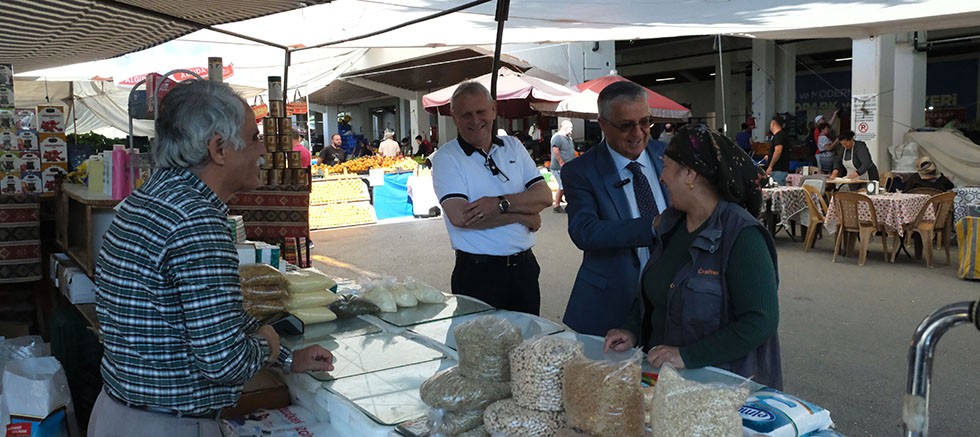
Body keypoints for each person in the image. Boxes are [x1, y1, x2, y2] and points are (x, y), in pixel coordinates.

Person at [88, 80, 334, 436]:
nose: (263, 149)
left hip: (120, 413)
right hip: (166, 426)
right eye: (253, 138)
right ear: (219, 149)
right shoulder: (197, 222)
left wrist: (287, 359)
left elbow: (207, 319)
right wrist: (268, 343)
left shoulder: (149, 197)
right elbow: (224, 362)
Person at [604, 125, 782, 389]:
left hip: (723, 388)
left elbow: (760, 322)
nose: (662, 177)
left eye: (665, 167)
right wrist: (631, 329)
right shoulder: (670, 224)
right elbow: (656, 295)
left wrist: (688, 355)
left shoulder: (742, 235)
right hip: (664, 381)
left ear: (689, 174)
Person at [431, 81, 552, 315]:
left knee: (527, 337)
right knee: (478, 338)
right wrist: (522, 216)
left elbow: (544, 195)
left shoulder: (513, 146)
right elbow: (461, 217)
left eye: (481, 112)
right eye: (466, 114)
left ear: (494, 110)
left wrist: (498, 204)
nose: (475, 120)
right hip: (478, 274)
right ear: (454, 118)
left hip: (524, 269)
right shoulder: (446, 157)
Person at [561, 81, 669, 336]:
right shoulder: (581, 171)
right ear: (603, 124)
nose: (638, 133)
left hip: (670, 301)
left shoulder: (669, 156)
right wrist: (651, 226)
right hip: (611, 304)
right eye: (626, 125)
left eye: (645, 122)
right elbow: (584, 231)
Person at [550, 120, 576, 213]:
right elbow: (555, 150)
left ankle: (567, 202)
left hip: (568, 166)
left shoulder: (569, 138)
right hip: (559, 167)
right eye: (571, 128)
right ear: (565, 127)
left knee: (567, 185)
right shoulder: (557, 137)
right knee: (562, 186)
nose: (572, 130)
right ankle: (557, 206)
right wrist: (561, 162)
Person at [766, 115, 791, 185]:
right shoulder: (780, 135)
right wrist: (769, 156)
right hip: (780, 169)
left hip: (778, 170)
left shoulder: (779, 136)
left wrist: (770, 166)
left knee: (777, 189)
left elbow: (778, 151)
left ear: (773, 124)